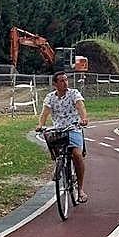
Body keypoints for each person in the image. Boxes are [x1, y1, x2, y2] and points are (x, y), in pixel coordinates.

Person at [37, 70, 90, 203]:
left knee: (77, 155)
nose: (65, 82)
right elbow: (45, 113)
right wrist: (40, 125)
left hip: (73, 128)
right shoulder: (50, 97)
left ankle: (80, 190)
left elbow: (80, 106)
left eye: (66, 80)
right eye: (61, 80)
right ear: (55, 84)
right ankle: (58, 163)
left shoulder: (74, 93)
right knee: (49, 138)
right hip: (58, 129)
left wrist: (83, 118)